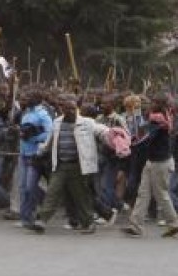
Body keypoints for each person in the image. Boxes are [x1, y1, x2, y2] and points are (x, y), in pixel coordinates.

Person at [26, 95, 113, 234]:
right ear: (63, 110)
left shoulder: (86, 122)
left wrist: (112, 135)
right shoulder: (57, 123)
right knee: (52, 193)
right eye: (68, 109)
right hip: (60, 165)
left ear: (76, 109)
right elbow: (49, 142)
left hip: (78, 167)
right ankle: (41, 221)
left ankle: (89, 223)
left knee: (81, 197)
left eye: (73, 108)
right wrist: (39, 151)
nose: (71, 111)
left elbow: (101, 130)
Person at [124, 95, 178, 238]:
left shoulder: (158, 119)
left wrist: (132, 141)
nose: (150, 103)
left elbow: (145, 138)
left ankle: (175, 224)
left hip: (160, 163)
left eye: (153, 102)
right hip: (152, 162)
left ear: (159, 104)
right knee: (143, 193)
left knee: (161, 194)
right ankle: (135, 225)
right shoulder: (158, 118)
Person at [18, 89, 53, 229]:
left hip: (35, 155)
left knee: (29, 187)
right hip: (23, 154)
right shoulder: (26, 113)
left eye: (29, 96)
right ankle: (26, 217)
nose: (25, 99)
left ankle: (44, 205)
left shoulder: (43, 115)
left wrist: (34, 138)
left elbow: (50, 133)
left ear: (37, 98)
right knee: (23, 187)